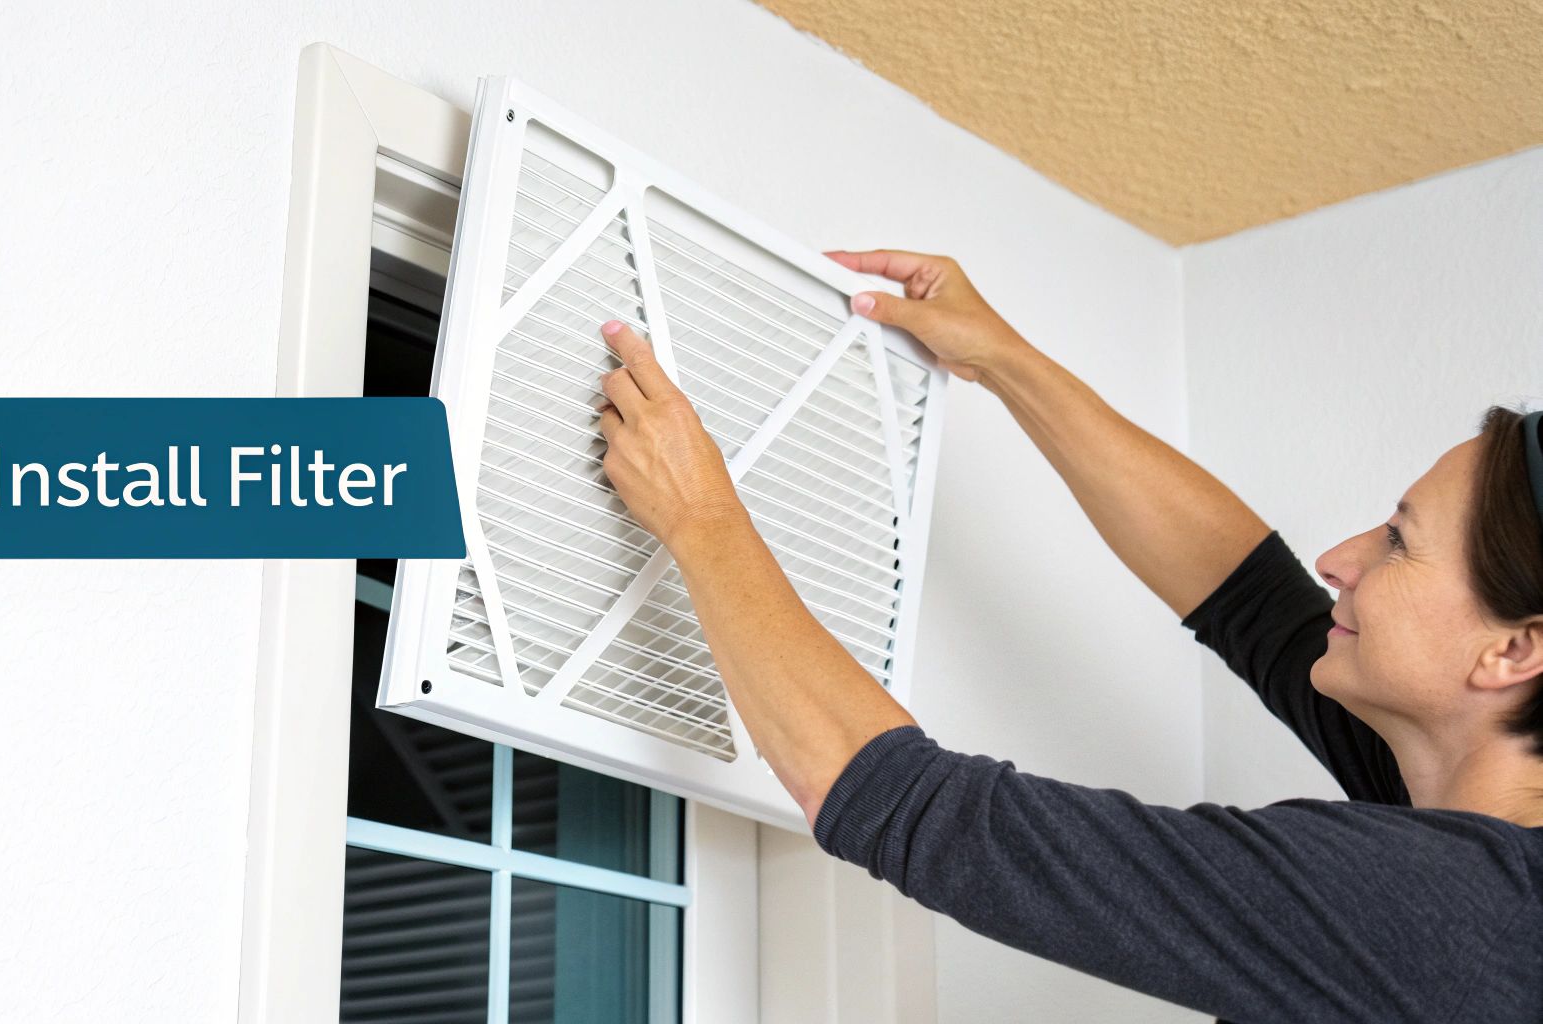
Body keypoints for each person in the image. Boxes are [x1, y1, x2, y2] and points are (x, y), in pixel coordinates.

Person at [590, 249, 1543, 1023]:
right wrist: (1004, 359)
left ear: (1513, 651)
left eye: (1399, 541)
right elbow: (1246, 591)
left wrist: (701, 517)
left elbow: (916, 809)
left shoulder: (1456, 910)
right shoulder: (1458, 821)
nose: (1343, 555)